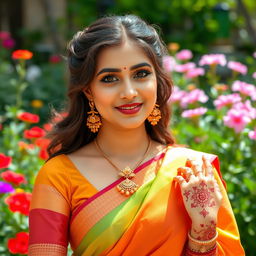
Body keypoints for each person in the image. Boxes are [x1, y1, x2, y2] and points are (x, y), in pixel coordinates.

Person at [28, 15, 245, 256]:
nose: (129, 92)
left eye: (141, 74)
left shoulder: (193, 171)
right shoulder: (59, 176)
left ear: (157, 79)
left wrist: (203, 232)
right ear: (89, 90)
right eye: (109, 79)